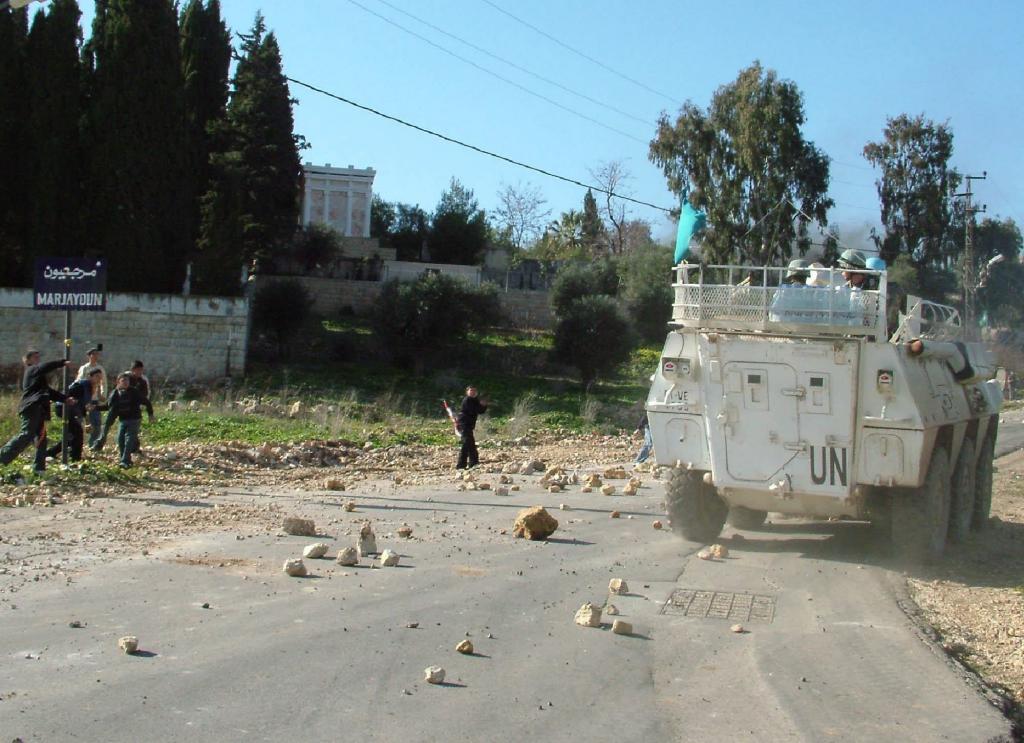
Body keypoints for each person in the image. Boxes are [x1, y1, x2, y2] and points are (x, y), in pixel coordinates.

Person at [0, 351, 74, 473]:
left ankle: (39, 469)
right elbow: (43, 367)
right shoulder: (31, 370)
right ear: (27, 360)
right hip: (31, 408)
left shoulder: (38, 378)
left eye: (39, 357)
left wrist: (65, 399)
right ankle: (2, 456)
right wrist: (61, 363)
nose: (38, 359)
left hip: (40, 409)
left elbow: (49, 392)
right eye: (35, 357)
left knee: (41, 438)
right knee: (26, 434)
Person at [93, 372, 154, 468]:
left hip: (134, 419)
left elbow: (146, 402)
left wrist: (151, 414)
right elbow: (108, 407)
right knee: (120, 439)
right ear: (118, 382)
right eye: (123, 380)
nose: (126, 382)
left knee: (129, 439)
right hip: (123, 420)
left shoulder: (133, 392)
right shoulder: (115, 394)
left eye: (127, 380)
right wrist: (95, 407)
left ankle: (125, 460)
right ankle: (125, 460)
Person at [46, 369, 103, 463]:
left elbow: (82, 406)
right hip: (64, 409)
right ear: (90, 376)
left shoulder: (90, 388)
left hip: (71, 411)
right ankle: (75, 458)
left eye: (100, 377)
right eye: (97, 376)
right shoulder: (81, 386)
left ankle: (51, 453)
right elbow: (69, 396)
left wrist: (87, 423)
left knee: (72, 436)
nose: (99, 379)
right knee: (77, 433)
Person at [76, 347, 106, 449]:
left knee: (96, 423)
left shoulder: (100, 368)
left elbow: (103, 382)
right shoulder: (84, 368)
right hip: (83, 399)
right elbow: (79, 381)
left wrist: (102, 394)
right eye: (94, 354)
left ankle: (93, 445)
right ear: (89, 356)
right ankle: (74, 444)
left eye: (97, 354)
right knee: (79, 422)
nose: (96, 356)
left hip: (94, 399)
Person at [455, 386, 488, 469]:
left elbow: (480, 411)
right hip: (463, 424)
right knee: (469, 444)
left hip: (469, 425)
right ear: (467, 392)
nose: (473, 392)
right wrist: (480, 405)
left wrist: (484, 405)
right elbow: (473, 410)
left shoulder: (475, 400)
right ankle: (472, 463)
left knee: (467, 444)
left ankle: (463, 465)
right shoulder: (467, 400)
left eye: (474, 390)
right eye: (471, 390)